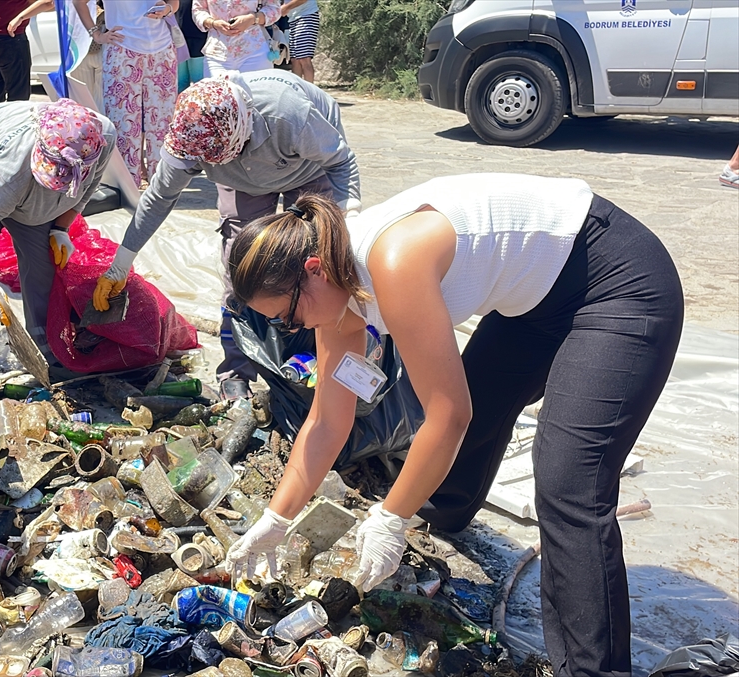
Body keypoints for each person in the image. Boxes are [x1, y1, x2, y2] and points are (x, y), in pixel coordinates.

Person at [223, 175, 683, 677]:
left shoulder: (394, 260)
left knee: (568, 482)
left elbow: (448, 417)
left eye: (288, 317)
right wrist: (276, 518)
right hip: (534, 301)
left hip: (616, 280)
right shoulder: (333, 293)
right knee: (480, 400)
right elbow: (327, 420)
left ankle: (594, 669)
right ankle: (442, 518)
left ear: (312, 270)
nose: (294, 331)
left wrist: (390, 517)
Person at [93, 71, 359, 397]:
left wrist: (348, 220)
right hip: (242, 183)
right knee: (242, 269)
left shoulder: (288, 112)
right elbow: (159, 198)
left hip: (307, 171)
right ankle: (236, 370)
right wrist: (121, 262)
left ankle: (312, 361)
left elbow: (341, 160)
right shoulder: (192, 138)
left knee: (312, 270)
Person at [0, 98, 117, 388]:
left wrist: (60, 228)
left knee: (42, 265)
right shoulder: (8, 171)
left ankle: (47, 347)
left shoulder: (102, 137)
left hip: (20, 180)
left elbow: (87, 189)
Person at [74, 0, 178, 188]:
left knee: (163, 124)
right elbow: (78, 2)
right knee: (123, 124)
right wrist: (96, 34)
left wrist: (167, 9)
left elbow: (174, 3)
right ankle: (127, 187)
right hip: (122, 52)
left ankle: (162, 186)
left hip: (162, 51)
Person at [8, 0, 104, 111]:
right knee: (103, 102)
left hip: (77, 48)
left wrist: (20, 17)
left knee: (82, 105)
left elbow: (48, 3)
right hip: (102, 44)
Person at [192, 0, 279, 77]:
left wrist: (252, 18)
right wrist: (213, 23)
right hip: (217, 54)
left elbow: (274, 9)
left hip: (254, 52)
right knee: (217, 94)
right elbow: (198, 10)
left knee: (257, 94)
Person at [280, 0, 317, 82]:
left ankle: (310, 93)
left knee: (304, 58)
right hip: (292, 19)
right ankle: (298, 92)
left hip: (306, 15)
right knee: (295, 60)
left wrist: (286, 7)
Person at [176, 0, 207, 91]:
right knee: (179, 84)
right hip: (176, 37)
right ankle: (180, 105)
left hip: (200, 37)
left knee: (200, 84)